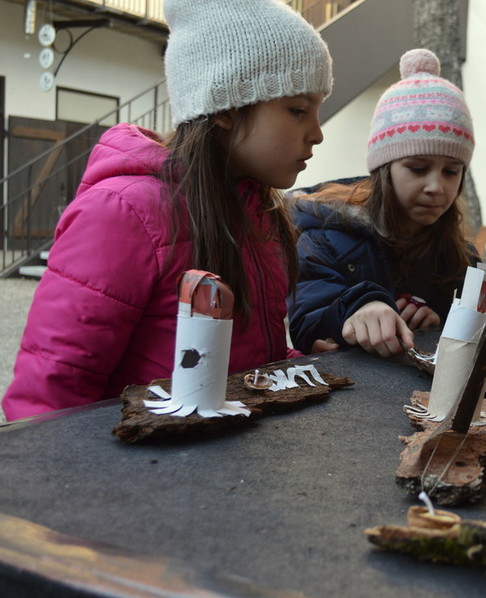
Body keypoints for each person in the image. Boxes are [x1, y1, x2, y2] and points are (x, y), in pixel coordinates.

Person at [1, 0, 333, 421]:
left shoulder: (260, 210)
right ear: (226, 108)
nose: (317, 133)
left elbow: (244, 357)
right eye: (299, 110)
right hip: (143, 459)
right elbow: (49, 395)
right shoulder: (124, 214)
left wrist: (298, 366)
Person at [288, 48, 478, 358]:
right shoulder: (324, 237)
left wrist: (435, 323)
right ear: (383, 169)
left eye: (451, 172)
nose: (436, 187)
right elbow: (308, 326)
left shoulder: (460, 257)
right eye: (418, 168)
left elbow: (471, 332)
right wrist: (356, 310)